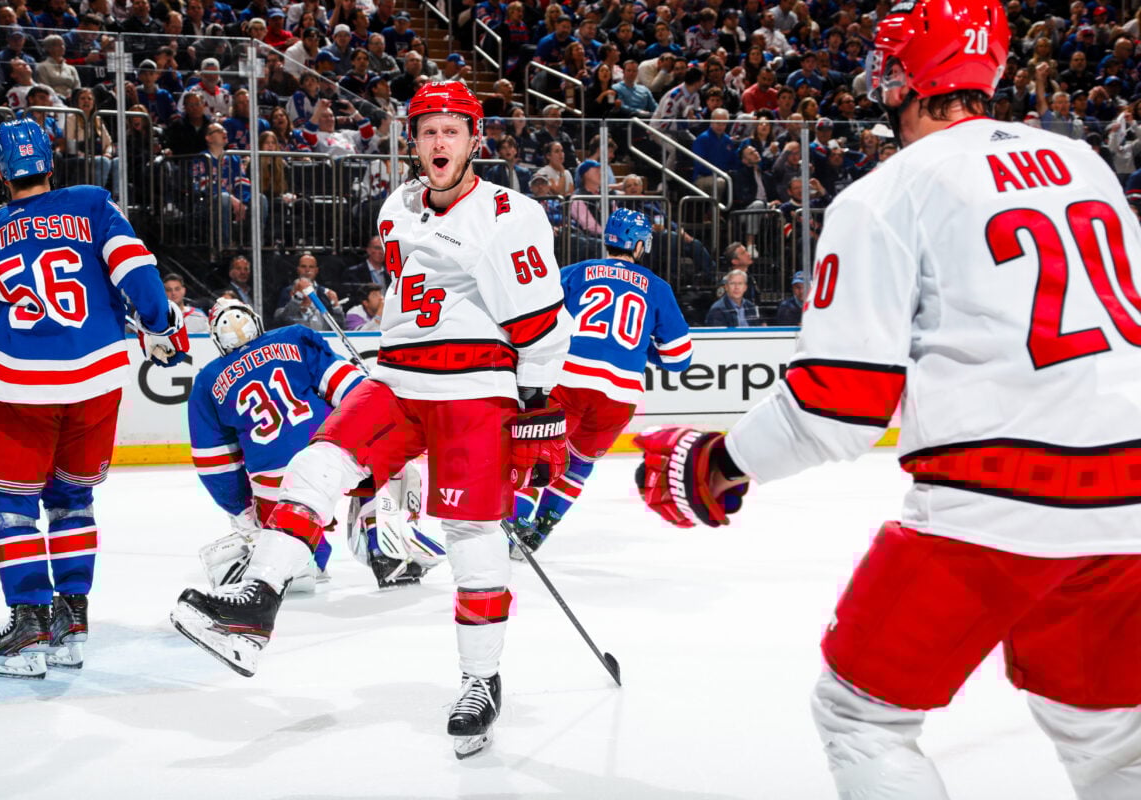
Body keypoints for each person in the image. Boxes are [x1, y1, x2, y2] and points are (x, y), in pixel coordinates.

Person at [631, 0, 1141, 796]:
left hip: (993, 505)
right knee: (1112, 737)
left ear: (909, 74)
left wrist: (717, 461)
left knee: (862, 717)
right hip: (1131, 506)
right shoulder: (1088, 165)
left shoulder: (887, 192)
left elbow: (836, 407)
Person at [170, 82, 573, 759]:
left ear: (476, 139)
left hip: (476, 387)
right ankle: (255, 604)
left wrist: (537, 405)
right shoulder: (395, 206)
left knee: (471, 533)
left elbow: (540, 326)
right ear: (410, 140)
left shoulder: (512, 214)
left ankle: (481, 680)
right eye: (428, 131)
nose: (439, 142)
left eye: (453, 130)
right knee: (317, 461)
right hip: (397, 378)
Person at [0, 117, 188, 680]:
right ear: (50, 162)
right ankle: (71, 621)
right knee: (71, 499)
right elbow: (137, 270)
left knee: (11, 505)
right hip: (97, 379)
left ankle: (29, 622)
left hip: (23, 385)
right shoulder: (90, 202)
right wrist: (159, 324)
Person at [503, 209, 692, 556]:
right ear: (637, 245)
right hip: (619, 396)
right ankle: (538, 533)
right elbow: (679, 360)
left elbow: (536, 315)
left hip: (568, 378)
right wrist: (642, 349)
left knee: (540, 452)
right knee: (580, 465)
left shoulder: (575, 273)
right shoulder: (658, 288)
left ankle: (516, 521)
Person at [188, 298, 394, 594]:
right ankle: (383, 543)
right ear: (255, 321)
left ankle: (300, 560)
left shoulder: (207, 382)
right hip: (330, 453)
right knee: (387, 463)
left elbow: (216, 464)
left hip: (274, 481)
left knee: (297, 548)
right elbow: (348, 389)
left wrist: (244, 512)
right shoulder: (294, 337)